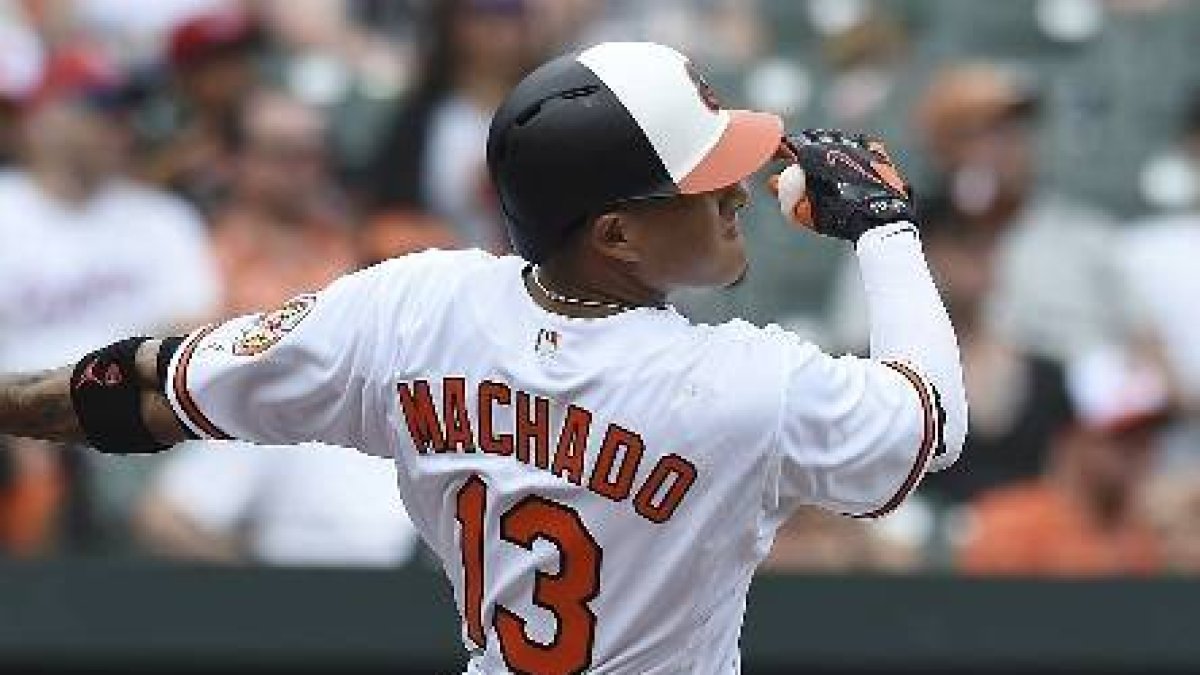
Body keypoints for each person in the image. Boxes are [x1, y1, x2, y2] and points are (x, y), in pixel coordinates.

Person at [0, 42, 965, 673]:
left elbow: (140, 390)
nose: (739, 195)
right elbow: (933, 423)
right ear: (618, 236)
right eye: (704, 182)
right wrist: (886, 231)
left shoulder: (413, 307)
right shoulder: (744, 385)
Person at [958, 346, 1169, 576]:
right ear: (1071, 435)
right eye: (1123, 437)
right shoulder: (1009, 528)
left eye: (1148, 437)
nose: (1141, 452)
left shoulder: (1151, 535)